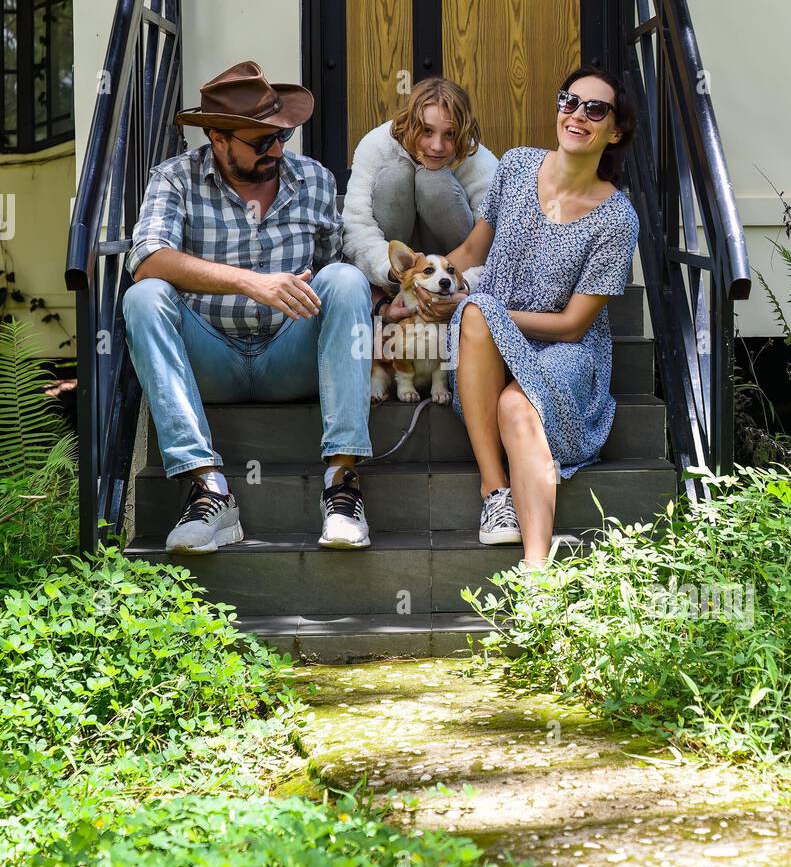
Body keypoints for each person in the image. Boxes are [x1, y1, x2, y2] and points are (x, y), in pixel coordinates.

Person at [122, 60, 373, 553]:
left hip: (290, 358)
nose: (277, 149)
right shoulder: (174, 179)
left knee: (346, 278)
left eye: (282, 136)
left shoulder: (315, 181)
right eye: (261, 142)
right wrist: (250, 283)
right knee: (143, 296)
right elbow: (147, 257)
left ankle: (342, 485)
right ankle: (208, 490)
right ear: (217, 138)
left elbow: (332, 272)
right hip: (210, 356)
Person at [398, 65, 640, 568]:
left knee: (513, 399)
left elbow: (574, 324)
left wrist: (490, 315)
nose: (577, 115)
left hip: (566, 354)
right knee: (477, 313)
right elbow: (469, 249)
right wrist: (408, 295)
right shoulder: (515, 165)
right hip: (487, 350)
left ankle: (536, 572)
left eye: (595, 109)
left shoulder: (618, 218)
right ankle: (495, 492)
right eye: (569, 101)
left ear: (614, 131)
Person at [341, 78, 497, 309]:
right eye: (427, 131)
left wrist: (465, 286)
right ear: (410, 123)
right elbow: (356, 226)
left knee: (433, 180)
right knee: (395, 174)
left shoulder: (480, 161)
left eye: (450, 134)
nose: (437, 146)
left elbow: (496, 245)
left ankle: (444, 287)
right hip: (395, 272)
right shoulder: (376, 145)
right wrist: (391, 271)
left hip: (452, 277)